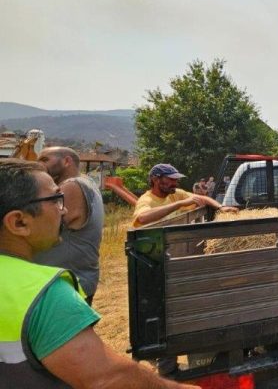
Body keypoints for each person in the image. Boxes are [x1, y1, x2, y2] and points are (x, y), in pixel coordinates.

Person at [0, 159, 198, 388]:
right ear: (19, 222)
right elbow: (107, 378)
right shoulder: (41, 293)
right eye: (56, 199)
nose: (63, 210)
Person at [35, 147, 104, 305]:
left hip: (66, 286)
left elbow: (38, 227)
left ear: (67, 161)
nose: (39, 164)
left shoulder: (70, 186)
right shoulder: (86, 182)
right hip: (74, 280)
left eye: (45, 159)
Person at [133, 164, 238, 228]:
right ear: (155, 180)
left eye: (176, 179)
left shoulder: (176, 193)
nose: (175, 183)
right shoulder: (146, 200)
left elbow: (203, 198)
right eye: (171, 179)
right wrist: (179, 204)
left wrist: (221, 207)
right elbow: (142, 218)